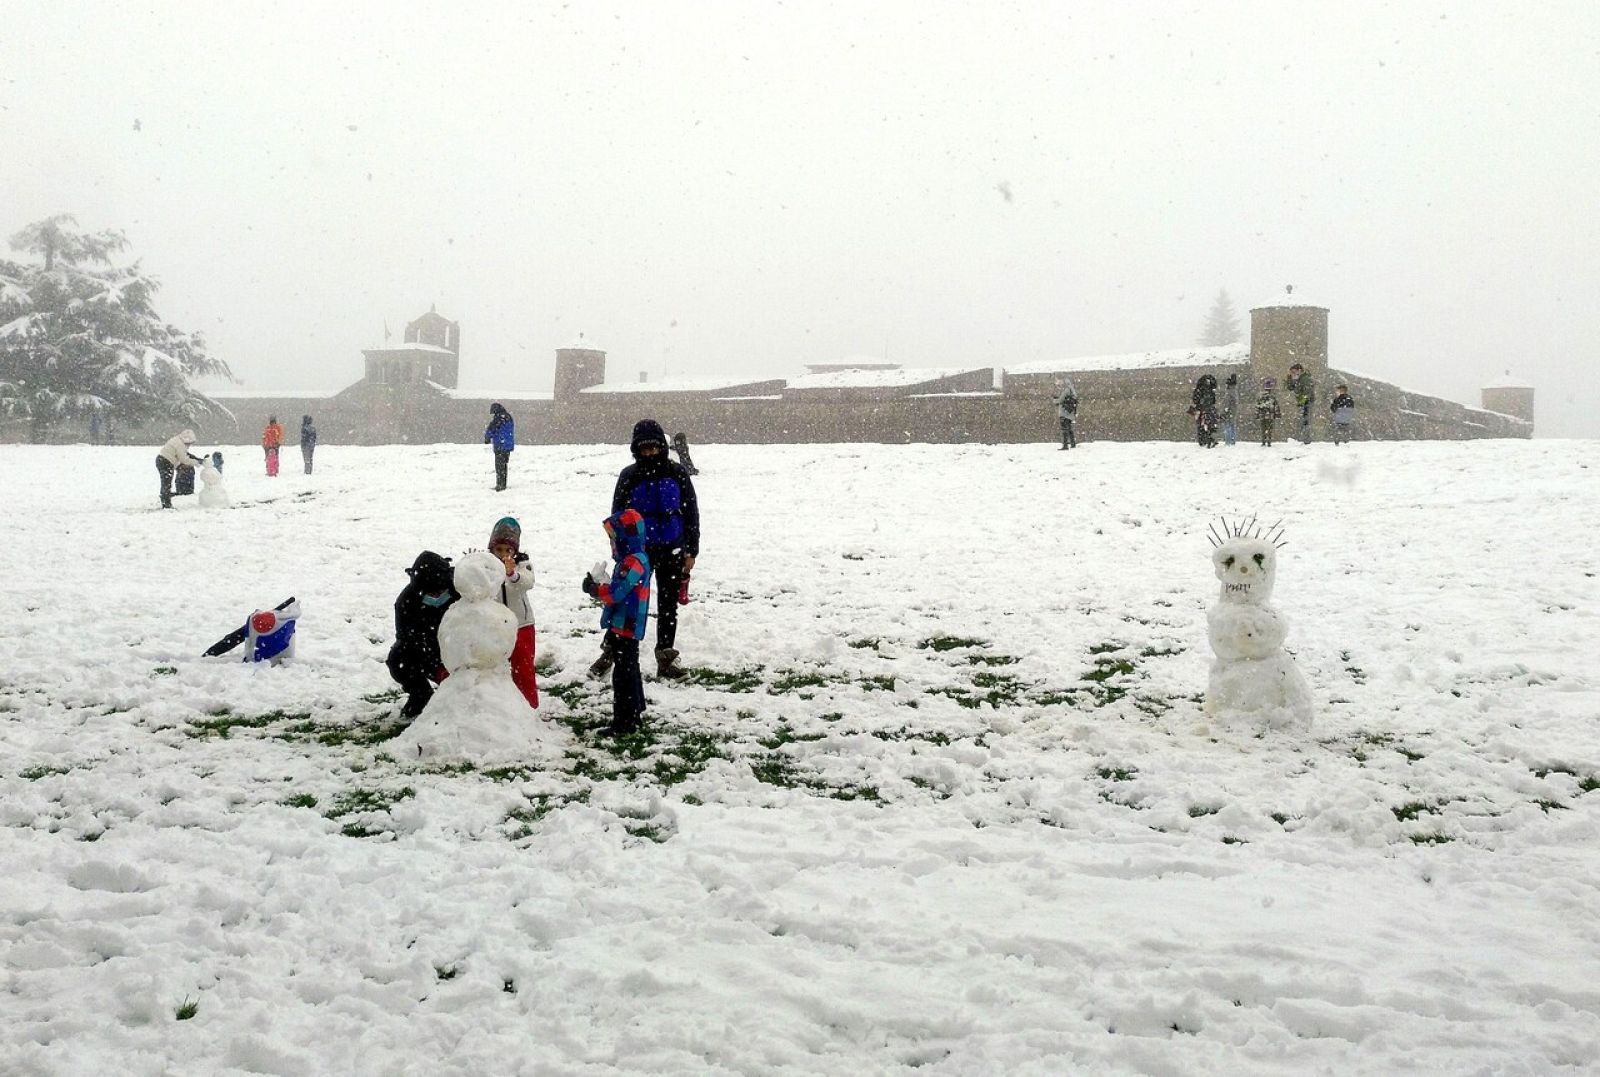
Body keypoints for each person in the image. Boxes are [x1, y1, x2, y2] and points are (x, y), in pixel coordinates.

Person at [592, 419, 700, 681]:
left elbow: (691, 511)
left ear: (662, 447)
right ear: (636, 449)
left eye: (654, 448)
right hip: (638, 551)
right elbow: (617, 516)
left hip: (672, 547)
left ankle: (666, 657)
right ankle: (611, 651)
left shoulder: (677, 473)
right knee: (625, 603)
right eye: (644, 449)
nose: (650, 453)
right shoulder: (629, 476)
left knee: (667, 606)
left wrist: (691, 550)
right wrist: (619, 551)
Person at [581, 508, 652, 736]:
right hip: (623, 623)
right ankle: (635, 710)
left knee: (623, 673)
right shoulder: (632, 559)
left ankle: (624, 722)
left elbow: (617, 592)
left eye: (614, 538)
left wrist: (594, 588)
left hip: (627, 625)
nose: (612, 544)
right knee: (630, 668)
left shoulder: (634, 562)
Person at [387, 552, 458, 719]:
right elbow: (407, 640)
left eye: (439, 591)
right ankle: (421, 695)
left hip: (461, 649)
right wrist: (437, 666)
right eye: (430, 593)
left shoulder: (460, 588)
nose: (436, 597)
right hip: (426, 652)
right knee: (398, 658)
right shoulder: (406, 602)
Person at [487, 516, 538, 709]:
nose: (502, 555)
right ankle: (501, 706)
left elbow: (527, 582)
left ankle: (528, 706)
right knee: (495, 667)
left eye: (507, 550)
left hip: (521, 625)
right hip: (496, 624)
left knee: (523, 667)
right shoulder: (488, 566)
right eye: (498, 549)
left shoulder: (523, 565)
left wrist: (512, 574)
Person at [155, 429, 201, 509]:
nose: (189, 445)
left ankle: (166, 501)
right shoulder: (180, 445)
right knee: (166, 483)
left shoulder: (177, 440)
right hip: (165, 462)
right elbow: (184, 459)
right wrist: (197, 463)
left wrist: (197, 459)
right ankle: (166, 504)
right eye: (189, 443)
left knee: (166, 483)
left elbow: (185, 454)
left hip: (162, 460)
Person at [484, 402, 515, 491]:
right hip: (507, 445)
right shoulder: (508, 417)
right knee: (504, 466)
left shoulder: (499, 418)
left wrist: (487, 438)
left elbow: (492, 429)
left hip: (500, 445)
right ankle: (503, 484)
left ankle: (500, 485)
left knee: (499, 466)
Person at [1286, 363, 1315, 443]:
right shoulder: (1298, 379)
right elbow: (1290, 387)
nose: (1293, 374)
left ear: (1299, 370)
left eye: (1294, 372)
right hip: (1302, 401)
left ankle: (1306, 438)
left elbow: (1307, 392)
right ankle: (1303, 438)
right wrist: (1289, 378)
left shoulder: (1305, 378)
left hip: (1306, 402)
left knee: (1305, 420)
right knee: (1303, 420)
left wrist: (1302, 400)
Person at [1190, 374, 1219, 448]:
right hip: (1210, 409)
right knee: (1208, 425)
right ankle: (1209, 439)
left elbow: (1195, 400)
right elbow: (1214, 400)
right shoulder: (1210, 389)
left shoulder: (1199, 389)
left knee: (1201, 425)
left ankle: (1203, 441)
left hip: (1200, 410)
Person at [1256, 377, 1282, 447]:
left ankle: (1263, 441)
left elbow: (1258, 406)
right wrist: (1278, 414)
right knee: (1269, 428)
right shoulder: (1272, 397)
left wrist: (1257, 415)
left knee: (1263, 428)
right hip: (1270, 415)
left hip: (1262, 415)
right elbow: (1276, 406)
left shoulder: (1260, 397)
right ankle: (1269, 441)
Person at [1056, 378, 1079, 449]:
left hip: (1064, 412)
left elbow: (1060, 400)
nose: (1058, 385)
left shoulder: (1065, 390)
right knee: (1069, 428)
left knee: (1064, 429)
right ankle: (1073, 443)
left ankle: (1065, 445)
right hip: (1070, 412)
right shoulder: (1072, 390)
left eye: (1059, 384)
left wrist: (1055, 400)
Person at [1220, 373, 1240, 446]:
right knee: (1232, 426)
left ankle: (1228, 441)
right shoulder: (1235, 391)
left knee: (1227, 426)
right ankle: (1232, 440)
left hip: (1228, 412)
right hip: (1233, 411)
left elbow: (1226, 404)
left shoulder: (1229, 393)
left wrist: (1224, 411)